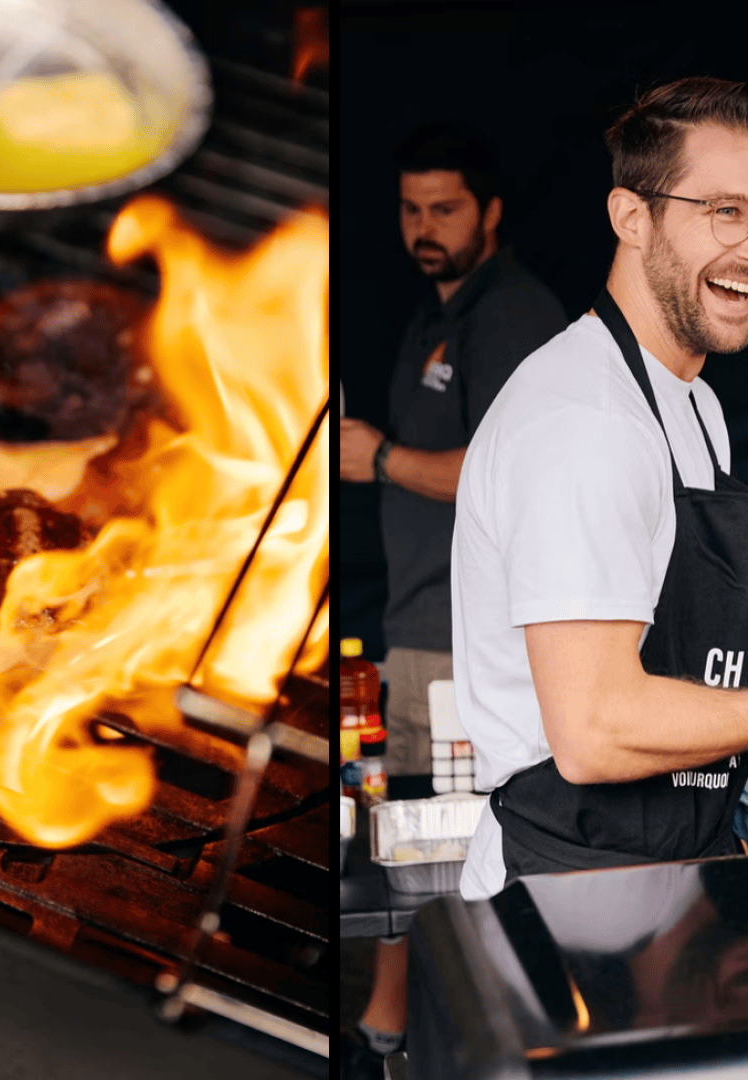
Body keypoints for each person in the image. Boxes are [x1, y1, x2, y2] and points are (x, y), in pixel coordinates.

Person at [453, 77, 748, 901]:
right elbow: (593, 730)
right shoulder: (581, 419)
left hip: (673, 885)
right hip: (564, 897)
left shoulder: (696, 404)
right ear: (631, 216)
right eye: (724, 211)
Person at [337, 123, 565, 1080]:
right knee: (413, 845)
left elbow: (515, 472)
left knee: (457, 860)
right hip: (420, 635)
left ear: (493, 212)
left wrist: (377, 456)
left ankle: (463, 1048)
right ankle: (391, 1035)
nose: (424, 227)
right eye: (409, 208)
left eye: (445, 208)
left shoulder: (510, 311)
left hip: (472, 649)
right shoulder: (433, 317)